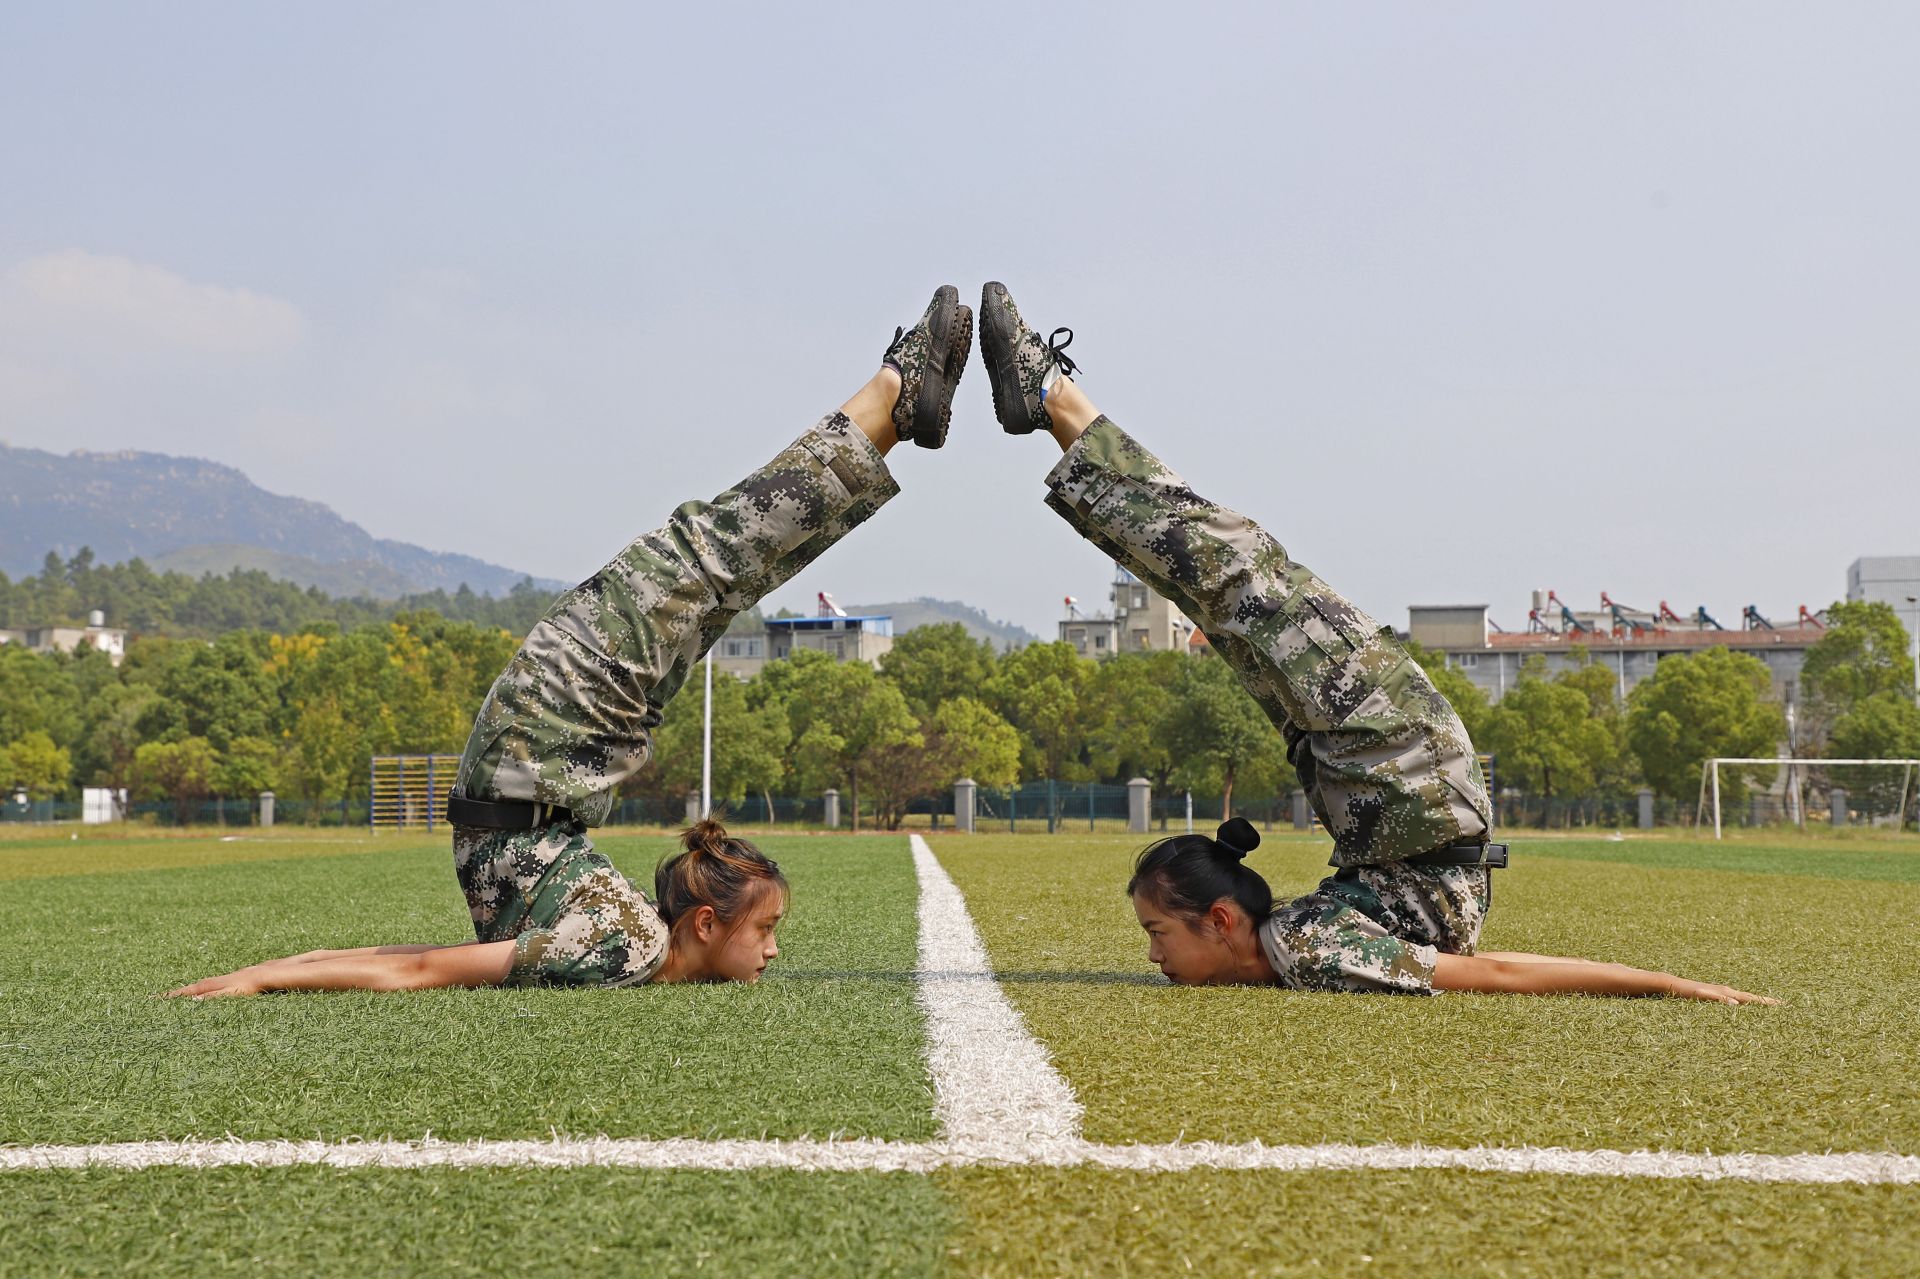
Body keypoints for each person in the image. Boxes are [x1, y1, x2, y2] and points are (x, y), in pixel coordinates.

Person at [164, 285, 976, 999]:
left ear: (701, 926)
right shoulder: (623, 950)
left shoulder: (615, 952)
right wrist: (281, 965)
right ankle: (893, 411)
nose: (772, 948)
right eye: (764, 929)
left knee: (705, 558)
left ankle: (892, 400)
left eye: (765, 931)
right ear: (700, 922)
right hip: (554, 751)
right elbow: (419, 959)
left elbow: (420, 969)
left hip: (546, 739)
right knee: (725, 581)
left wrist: (271, 972)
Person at [974, 282, 1773, 1005]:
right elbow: (1495, 974)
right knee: (1239, 571)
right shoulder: (1316, 950)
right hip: (1402, 767)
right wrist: (1672, 984)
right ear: (1221, 919)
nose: (1152, 955)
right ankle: (1053, 400)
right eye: (1156, 934)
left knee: (1217, 596)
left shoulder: (1298, 944)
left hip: (1376, 791)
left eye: (1155, 933)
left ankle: (1054, 409)